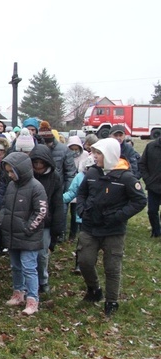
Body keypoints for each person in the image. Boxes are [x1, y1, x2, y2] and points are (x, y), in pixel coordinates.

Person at [76, 138, 146, 316]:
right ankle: (94, 289)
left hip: (113, 230)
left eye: (99, 153)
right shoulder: (92, 173)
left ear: (109, 155)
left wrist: (119, 216)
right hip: (90, 226)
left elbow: (139, 200)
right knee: (84, 261)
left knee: (112, 267)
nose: (95, 156)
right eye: (94, 153)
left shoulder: (126, 177)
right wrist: (81, 209)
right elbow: (82, 192)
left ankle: (111, 301)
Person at [0, 152, 48, 315]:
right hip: (12, 234)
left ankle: (33, 299)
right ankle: (18, 292)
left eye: (12, 171)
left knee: (29, 267)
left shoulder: (36, 187)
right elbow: (6, 206)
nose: (10, 175)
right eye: (8, 172)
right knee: (15, 266)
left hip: (29, 236)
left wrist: (28, 228)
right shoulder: (11, 186)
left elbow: (41, 212)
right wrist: (3, 221)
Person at [29, 145, 65, 296]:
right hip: (28, 219)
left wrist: (57, 230)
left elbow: (57, 203)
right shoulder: (28, 175)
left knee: (42, 254)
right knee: (28, 254)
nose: (38, 166)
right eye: (35, 163)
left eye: (40, 163)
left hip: (46, 222)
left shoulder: (54, 177)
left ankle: (43, 280)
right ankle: (30, 281)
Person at [139, 131, 161, 237]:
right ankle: (156, 231)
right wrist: (148, 180)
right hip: (153, 186)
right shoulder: (151, 146)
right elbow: (142, 164)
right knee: (152, 211)